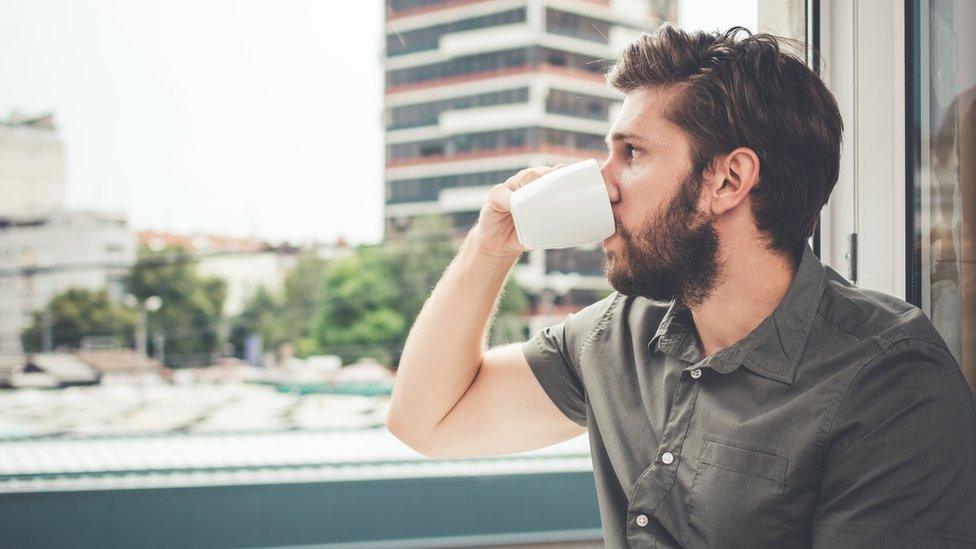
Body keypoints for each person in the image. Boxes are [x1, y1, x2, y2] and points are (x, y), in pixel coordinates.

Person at [386, 25, 976, 548]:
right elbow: (428, 420)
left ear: (728, 180)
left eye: (632, 154)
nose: (603, 183)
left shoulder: (891, 381)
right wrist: (490, 247)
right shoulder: (617, 335)